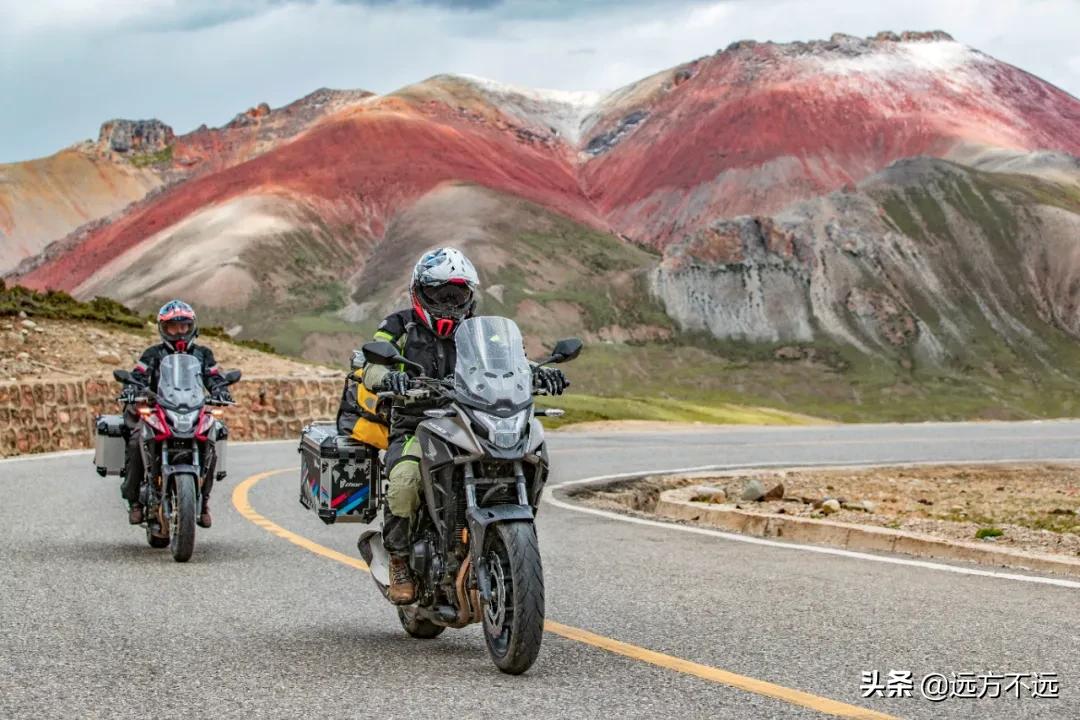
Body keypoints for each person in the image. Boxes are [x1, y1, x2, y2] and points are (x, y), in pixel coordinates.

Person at [361, 247, 568, 604]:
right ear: (420, 292)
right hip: (417, 424)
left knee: (527, 453)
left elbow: (514, 361)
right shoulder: (398, 326)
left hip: (470, 418)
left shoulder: (482, 332)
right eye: (440, 294)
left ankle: (503, 540)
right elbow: (372, 364)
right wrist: (388, 378)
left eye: (456, 295)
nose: (449, 303)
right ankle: (399, 560)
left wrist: (539, 372)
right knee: (405, 481)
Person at [120, 300, 232, 529]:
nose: (179, 332)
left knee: (212, 438)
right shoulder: (153, 354)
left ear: (192, 327)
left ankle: (204, 501)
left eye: (184, 326)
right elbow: (138, 375)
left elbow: (213, 377)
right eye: (173, 327)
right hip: (158, 409)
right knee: (136, 440)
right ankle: (134, 501)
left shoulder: (203, 354)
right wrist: (132, 388)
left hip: (192, 409)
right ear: (164, 328)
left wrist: (221, 390)